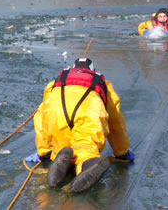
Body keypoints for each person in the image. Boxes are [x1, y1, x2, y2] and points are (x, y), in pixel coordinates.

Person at [27, 57, 134, 193]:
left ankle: (59, 163)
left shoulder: (54, 84)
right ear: (92, 71)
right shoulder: (103, 84)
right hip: (88, 110)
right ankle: (86, 163)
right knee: (86, 149)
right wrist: (121, 152)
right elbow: (115, 122)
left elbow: (40, 117)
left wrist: (43, 152)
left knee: (61, 147)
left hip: (57, 110)